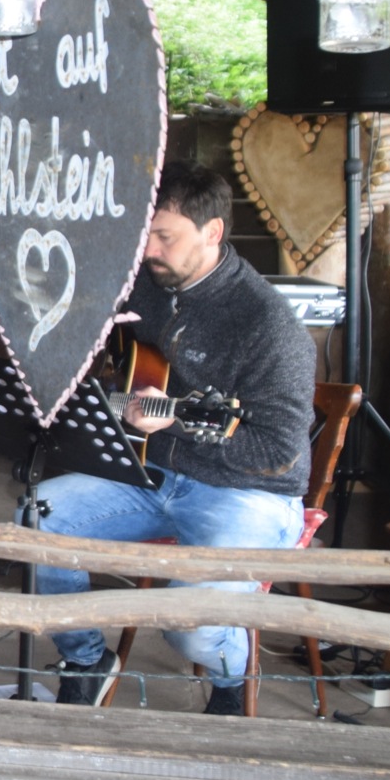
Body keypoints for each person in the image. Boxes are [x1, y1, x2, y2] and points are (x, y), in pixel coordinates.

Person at [36, 162, 315, 715]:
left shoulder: (268, 325)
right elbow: (117, 341)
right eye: (147, 235)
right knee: (39, 515)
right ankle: (87, 659)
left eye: (165, 237)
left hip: (246, 492)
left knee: (187, 627)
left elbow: (276, 449)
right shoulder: (152, 280)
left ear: (213, 233)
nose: (149, 250)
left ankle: (233, 672)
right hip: (154, 471)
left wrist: (178, 423)